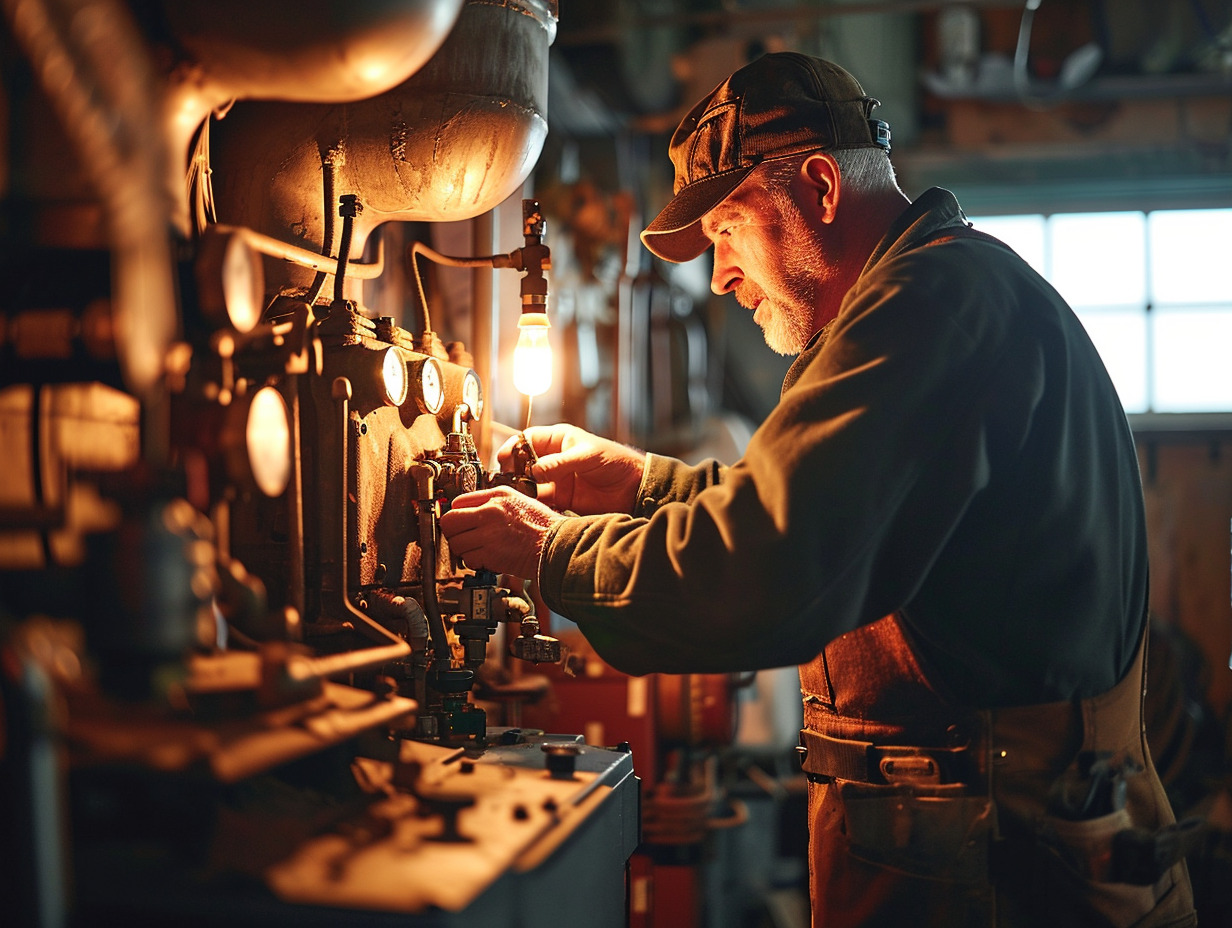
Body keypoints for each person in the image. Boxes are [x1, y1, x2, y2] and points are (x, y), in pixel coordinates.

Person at [439, 52, 1196, 927]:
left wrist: (550, 550)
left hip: (1001, 874)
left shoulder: (930, 303)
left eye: (727, 229)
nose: (720, 275)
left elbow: (777, 562)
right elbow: (831, 508)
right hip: (988, 848)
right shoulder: (948, 291)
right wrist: (642, 485)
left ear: (821, 189)